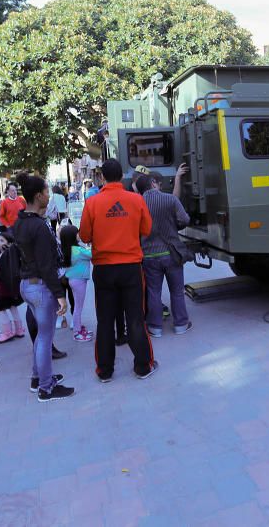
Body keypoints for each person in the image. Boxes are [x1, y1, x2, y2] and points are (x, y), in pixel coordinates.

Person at [79, 158, 157, 382]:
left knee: (104, 320)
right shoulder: (135, 200)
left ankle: (105, 371)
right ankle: (143, 366)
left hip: (103, 269)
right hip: (131, 267)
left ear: (102, 177)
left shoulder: (92, 203)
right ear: (122, 175)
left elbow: (84, 236)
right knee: (135, 318)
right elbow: (147, 229)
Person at [14, 173, 74, 402]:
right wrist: (60, 295)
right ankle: (46, 388)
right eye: (47, 192)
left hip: (27, 285)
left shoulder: (20, 221)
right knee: (46, 336)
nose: (49, 196)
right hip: (39, 286)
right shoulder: (38, 226)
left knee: (41, 334)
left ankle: (39, 377)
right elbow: (46, 265)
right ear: (38, 196)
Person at [135, 173, 192, 337]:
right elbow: (185, 220)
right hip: (172, 253)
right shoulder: (170, 199)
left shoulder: (137, 203)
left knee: (154, 292)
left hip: (149, 255)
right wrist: (173, 225)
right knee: (177, 291)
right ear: (153, 183)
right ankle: (181, 324)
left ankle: (155, 327)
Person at [60, 224, 93, 342]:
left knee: (77, 307)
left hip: (73, 280)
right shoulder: (78, 250)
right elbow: (92, 255)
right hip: (79, 281)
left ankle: (78, 328)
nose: (79, 235)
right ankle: (77, 332)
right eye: (77, 233)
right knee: (78, 308)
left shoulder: (68, 249)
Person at [0, 234, 25, 342]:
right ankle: (19, 329)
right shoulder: (7, 254)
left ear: (9, 243)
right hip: (9, 287)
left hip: (3, 288)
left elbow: (3, 272)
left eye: (2, 241)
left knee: (1, 310)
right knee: (12, 307)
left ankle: (8, 332)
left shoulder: (6, 255)